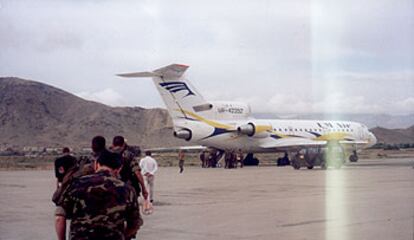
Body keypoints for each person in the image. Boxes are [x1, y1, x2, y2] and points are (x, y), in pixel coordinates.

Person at [55, 150, 142, 240]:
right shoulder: (128, 190)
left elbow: (59, 217)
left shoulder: (76, 184)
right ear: (119, 169)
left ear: (96, 164)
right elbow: (134, 224)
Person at [110, 136, 148, 201]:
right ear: (123, 144)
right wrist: (143, 188)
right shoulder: (128, 155)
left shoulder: (106, 155)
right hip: (126, 188)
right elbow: (137, 172)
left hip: (110, 187)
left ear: (113, 144)